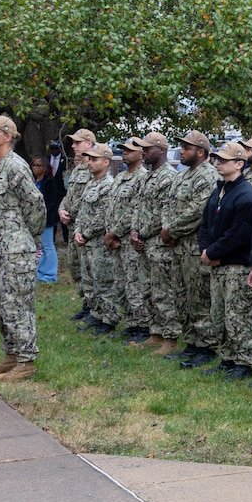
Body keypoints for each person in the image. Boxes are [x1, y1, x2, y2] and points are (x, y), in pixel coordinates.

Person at [0, 115, 45, 382]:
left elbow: (35, 205)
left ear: (7, 136)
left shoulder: (16, 167)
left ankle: (26, 361)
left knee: (17, 305)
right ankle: (11, 355)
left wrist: (30, 237)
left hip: (16, 249)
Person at [197, 141, 252, 379]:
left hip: (235, 265)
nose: (218, 162)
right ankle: (227, 357)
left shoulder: (246, 195)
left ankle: (243, 362)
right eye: (217, 159)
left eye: (223, 160)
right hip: (216, 263)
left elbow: (239, 234)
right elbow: (206, 224)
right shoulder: (219, 190)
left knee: (237, 316)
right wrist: (205, 249)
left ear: (239, 164)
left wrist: (212, 253)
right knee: (219, 314)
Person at [164, 131, 220, 361]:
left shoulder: (208, 176)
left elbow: (198, 211)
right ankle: (191, 342)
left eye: (187, 148)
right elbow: (168, 203)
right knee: (181, 296)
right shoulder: (182, 175)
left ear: (201, 151)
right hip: (177, 247)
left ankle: (205, 346)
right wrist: (167, 228)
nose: (182, 151)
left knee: (199, 298)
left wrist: (171, 230)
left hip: (195, 248)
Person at [130, 132, 180, 354]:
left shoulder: (169, 176)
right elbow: (138, 207)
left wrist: (143, 234)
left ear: (161, 150)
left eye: (148, 149)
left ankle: (170, 337)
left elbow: (163, 213)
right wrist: (134, 230)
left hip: (158, 244)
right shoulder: (146, 176)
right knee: (148, 289)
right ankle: (156, 331)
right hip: (143, 241)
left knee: (163, 291)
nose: (143, 153)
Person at [104, 138, 151, 343]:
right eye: (123, 150)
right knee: (121, 283)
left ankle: (142, 324)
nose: (125, 153)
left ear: (141, 154)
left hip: (129, 239)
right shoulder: (121, 176)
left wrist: (114, 232)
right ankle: (132, 321)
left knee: (135, 284)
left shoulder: (142, 177)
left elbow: (135, 209)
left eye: (131, 150)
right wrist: (109, 232)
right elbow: (112, 207)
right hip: (115, 240)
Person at [72, 143, 119, 335]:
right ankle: (95, 313)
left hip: (99, 242)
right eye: (88, 159)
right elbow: (82, 213)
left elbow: (103, 217)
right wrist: (77, 230)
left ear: (106, 162)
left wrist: (86, 233)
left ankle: (109, 319)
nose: (89, 163)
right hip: (86, 242)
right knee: (89, 279)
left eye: (94, 159)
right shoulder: (91, 183)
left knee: (104, 281)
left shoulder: (108, 185)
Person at [58, 129, 97, 319]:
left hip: (86, 228)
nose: (73, 146)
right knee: (75, 267)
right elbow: (69, 195)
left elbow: (92, 199)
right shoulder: (78, 167)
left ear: (89, 143)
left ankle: (95, 307)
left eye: (77, 142)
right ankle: (86, 303)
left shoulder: (94, 166)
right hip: (72, 226)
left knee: (89, 269)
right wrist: (61, 209)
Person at [30, 154, 64, 283]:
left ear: (45, 168)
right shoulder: (32, 181)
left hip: (46, 220)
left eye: (39, 165)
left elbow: (51, 202)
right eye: (33, 165)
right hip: (34, 219)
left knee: (48, 246)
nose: (35, 167)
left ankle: (50, 275)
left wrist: (44, 217)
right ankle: (40, 271)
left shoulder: (50, 182)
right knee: (39, 247)